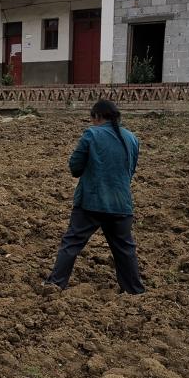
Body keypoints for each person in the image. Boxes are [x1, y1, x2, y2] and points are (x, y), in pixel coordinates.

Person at [45, 99, 145, 294]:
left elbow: (75, 166)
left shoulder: (92, 134)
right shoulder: (132, 138)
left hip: (91, 202)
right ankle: (135, 291)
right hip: (121, 204)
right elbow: (130, 171)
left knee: (71, 243)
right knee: (125, 249)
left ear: (97, 116)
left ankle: (55, 285)